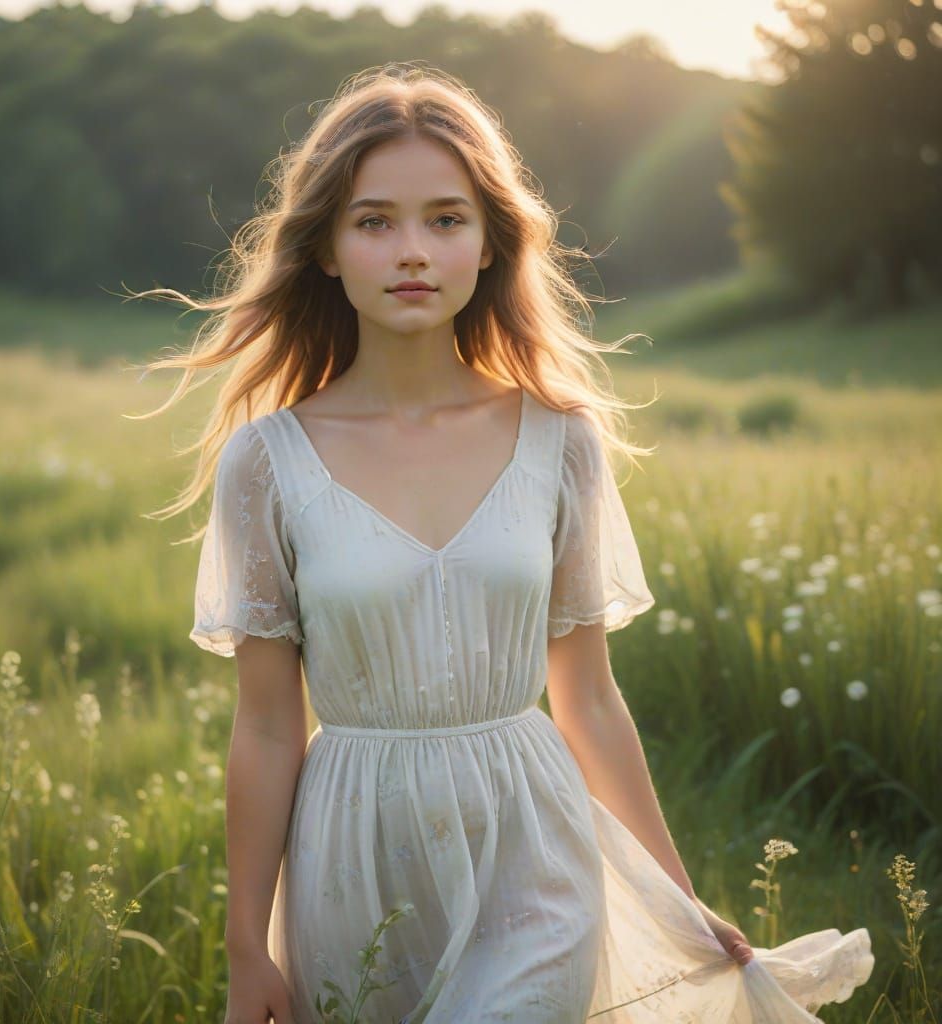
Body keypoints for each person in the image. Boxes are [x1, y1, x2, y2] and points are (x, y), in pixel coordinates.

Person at [139, 62, 873, 1023]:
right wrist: (245, 946)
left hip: (532, 844)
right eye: (374, 221)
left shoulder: (558, 441)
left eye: (446, 219)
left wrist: (677, 895)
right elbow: (269, 725)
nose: (413, 250)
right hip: (353, 856)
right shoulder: (268, 463)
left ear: (489, 244)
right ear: (324, 248)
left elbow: (589, 697)